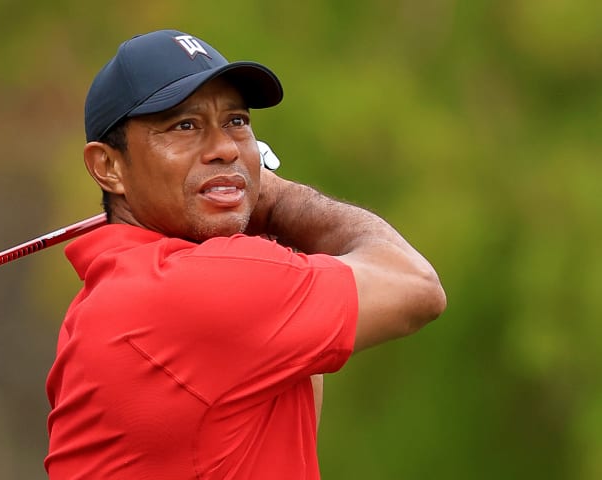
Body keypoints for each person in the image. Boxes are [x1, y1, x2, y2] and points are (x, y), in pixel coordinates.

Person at [44, 29, 446, 479]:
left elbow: (296, 397)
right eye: (185, 126)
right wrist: (274, 200)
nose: (225, 149)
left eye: (236, 121)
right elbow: (416, 286)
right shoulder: (186, 290)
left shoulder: (110, 297)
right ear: (109, 167)